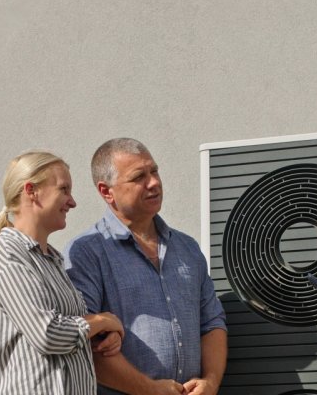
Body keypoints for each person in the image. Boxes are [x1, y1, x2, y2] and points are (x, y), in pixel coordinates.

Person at [66, 138, 228, 395]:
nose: (153, 182)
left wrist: (210, 381)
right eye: (138, 177)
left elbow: (211, 323)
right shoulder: (86, 253)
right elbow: (85, 343)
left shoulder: (187, 248)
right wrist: (149, 389)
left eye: (154, 171)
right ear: (106, 191)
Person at [0, 151, 127, 395]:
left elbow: (70, 330)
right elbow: (47, 334)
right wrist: (103, 321)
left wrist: (104, 335)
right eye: (63, 189)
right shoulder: (7, 255)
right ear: (31, 191)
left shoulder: (52, 260)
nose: (72, 202)